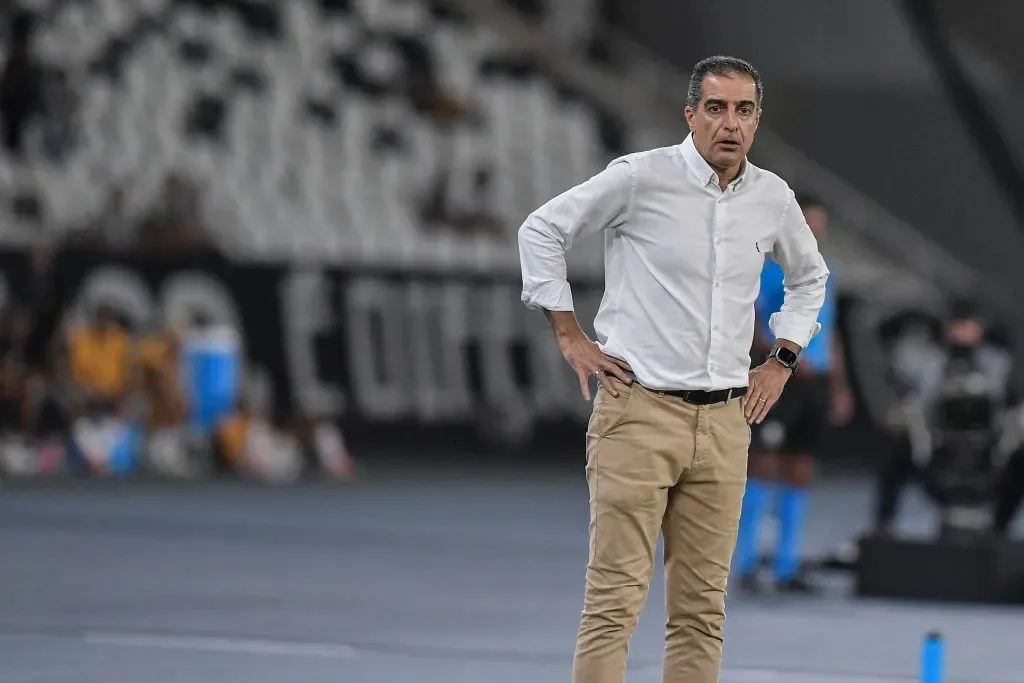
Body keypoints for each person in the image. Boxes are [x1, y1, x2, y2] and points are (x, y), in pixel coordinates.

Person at [517, 55, 828, 683]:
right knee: (613, 605)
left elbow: (810, 278)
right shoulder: (640, 178)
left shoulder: (772, 197)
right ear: (690, 115)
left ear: (757, 120)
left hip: (727, 421)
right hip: (639, 412)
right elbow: (542, 229)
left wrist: (782, 360)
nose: (730, 123)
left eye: (743, 110)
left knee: (702, 614)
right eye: (716, 108)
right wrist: (569, 334)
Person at [733, 192, 853, 593]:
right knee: (764, 464)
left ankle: (787, 565)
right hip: (780, 378)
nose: (814, 231)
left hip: (815, 384)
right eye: (808, 223)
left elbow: (830, 332)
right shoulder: (768, 271)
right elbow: (749, 322)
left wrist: (839, 385)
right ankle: (749, 562)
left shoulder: (828, 273)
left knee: (801, 468)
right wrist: (785, 356)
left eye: (819, 225)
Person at [873, 299, 1016, 536]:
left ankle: (1000, 529)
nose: (962, 332)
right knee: (895, 452)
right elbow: (916, 398)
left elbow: (1005, 402)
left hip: (988, 448)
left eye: (968, 325)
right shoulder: (930, 361)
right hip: (938, 445)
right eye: (957, 325)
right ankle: (883, 525)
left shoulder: (998, 362)